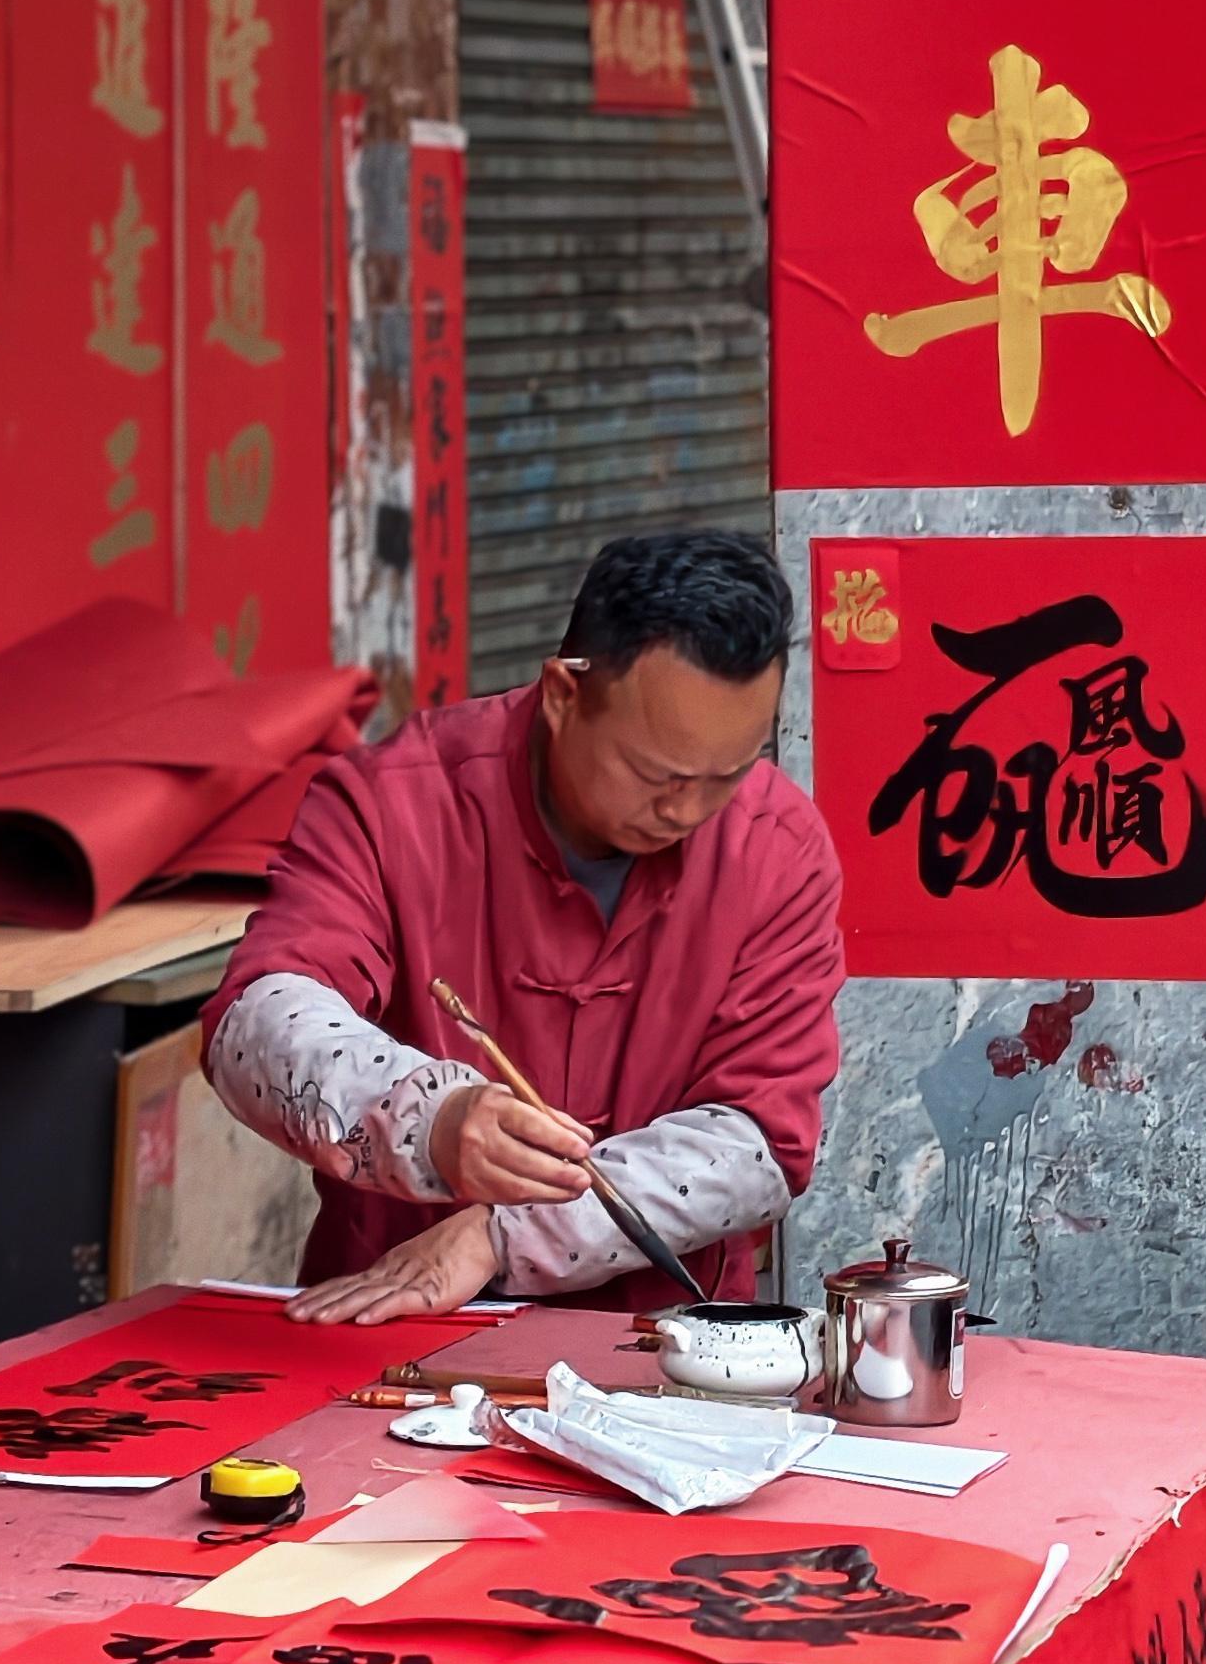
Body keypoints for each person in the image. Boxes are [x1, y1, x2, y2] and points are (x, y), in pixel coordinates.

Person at [205, 529, 844, 1321]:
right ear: (562, 694)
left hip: (665, 1347)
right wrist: (430, 1122)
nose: (686, 811)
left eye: (727, 775)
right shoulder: (393, 803)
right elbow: (256, 1020)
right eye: (655, 774)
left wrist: (503, 1234)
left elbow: (758, 1143)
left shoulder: (776, 846)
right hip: (387, 1326)